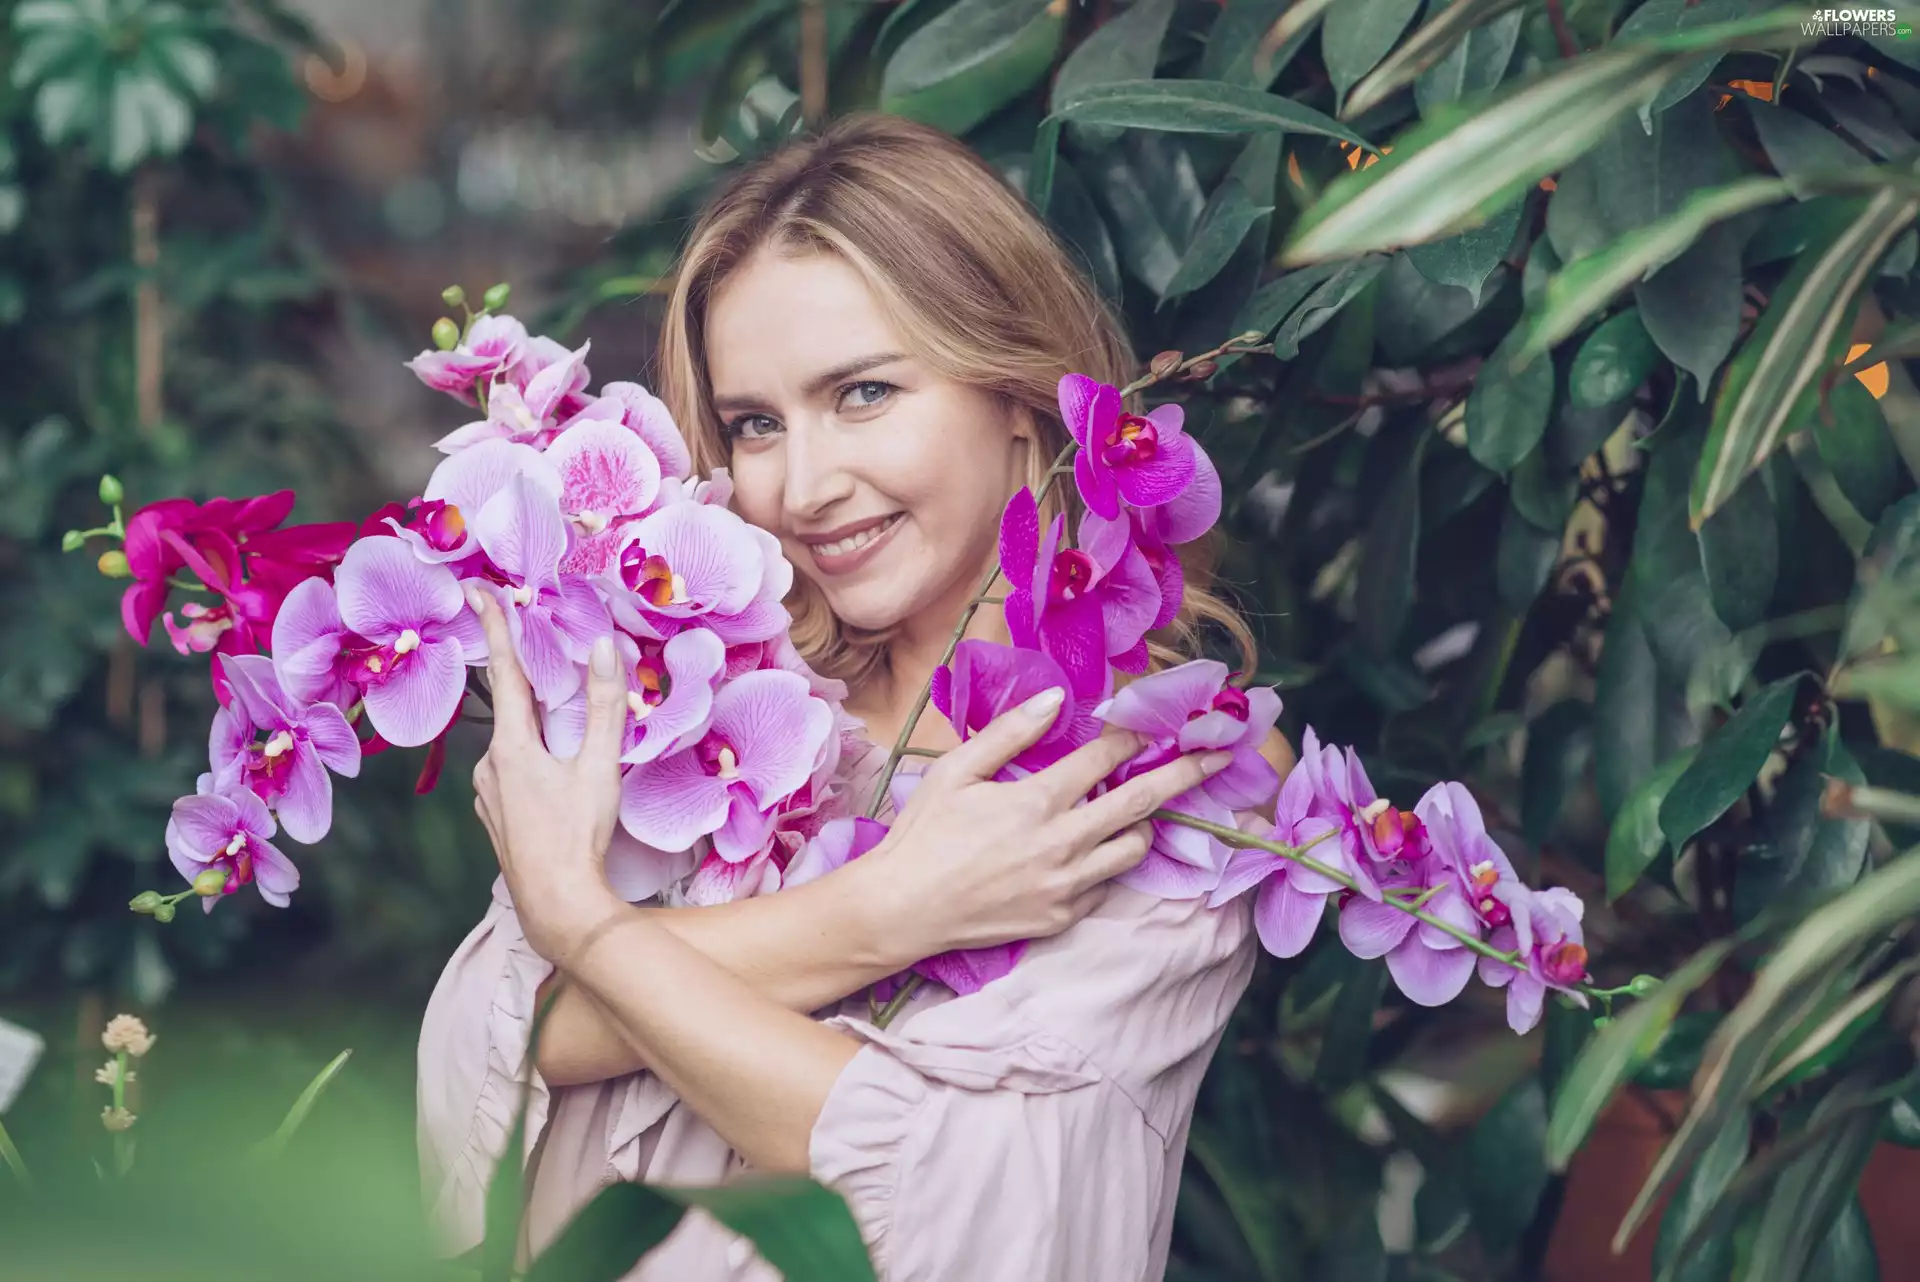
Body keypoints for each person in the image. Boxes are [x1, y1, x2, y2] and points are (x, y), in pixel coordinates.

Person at [417, 114, 1294, 1281]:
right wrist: (883, 914)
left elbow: (943, 1172)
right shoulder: (719, 700)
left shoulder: (1166, 773)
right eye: (757, 424)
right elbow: (492, 1036)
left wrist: (588, 924)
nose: (807, 484)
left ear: (1022, 393)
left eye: (866, 393)